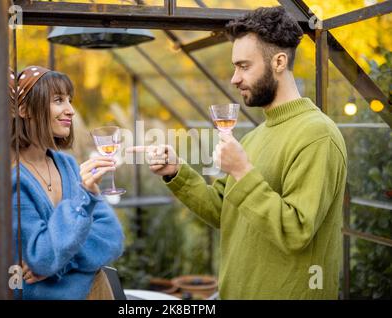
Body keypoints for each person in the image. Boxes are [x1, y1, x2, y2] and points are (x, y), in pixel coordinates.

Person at [128, 6, 347, 299]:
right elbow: (223, 210)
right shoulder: (256, 136)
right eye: (235, 67)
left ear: (279, 61)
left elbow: (297, 231)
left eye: (244, 66)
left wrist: (243, 172)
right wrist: (176, 172)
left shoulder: (317, 134)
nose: (234, 78)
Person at [0, 66, 124, 299]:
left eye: (69, 100)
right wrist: (85, 197)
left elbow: (112, 238)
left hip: (98, 289)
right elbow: (41, 255)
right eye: (58, 100)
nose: (71, 110)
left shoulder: (66, 164)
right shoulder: (1, 174)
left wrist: (60, 262)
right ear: (24, 110)